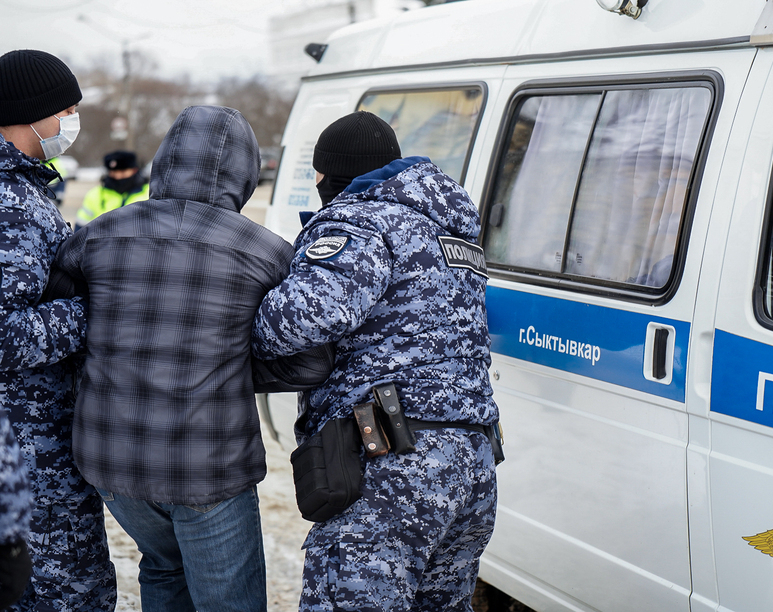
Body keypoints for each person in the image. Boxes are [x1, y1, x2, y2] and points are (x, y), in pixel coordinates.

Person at [54, 105, 330, 612]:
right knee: (229, 601)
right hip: (208, 463)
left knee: (163, 568)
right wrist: (224, 365)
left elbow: (66, 332)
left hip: (111, 458)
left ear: (163, 160)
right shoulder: (266, 251)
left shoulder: (95, 234)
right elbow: (310, 361)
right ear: (246, 175)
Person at [252, 110, 500, 611]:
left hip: (392, 461)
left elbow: (299, 320)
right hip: (472, 459)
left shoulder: (359, 222)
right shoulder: (450, 230)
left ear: (327, 175)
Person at [0, 49, 117, 611]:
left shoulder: (22, 190)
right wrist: (92, 310)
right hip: (26, 445)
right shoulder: (10, 203)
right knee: (67, 591)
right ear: (31, 115)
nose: (72, 121)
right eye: (65, 109)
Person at [75, 149, 149, 228]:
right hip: (101, 240)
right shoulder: (94, 194)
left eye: (123, 172)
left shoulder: (149, 193)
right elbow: (81, 226)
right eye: (113, 172)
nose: (118, 176)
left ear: (134, 170)